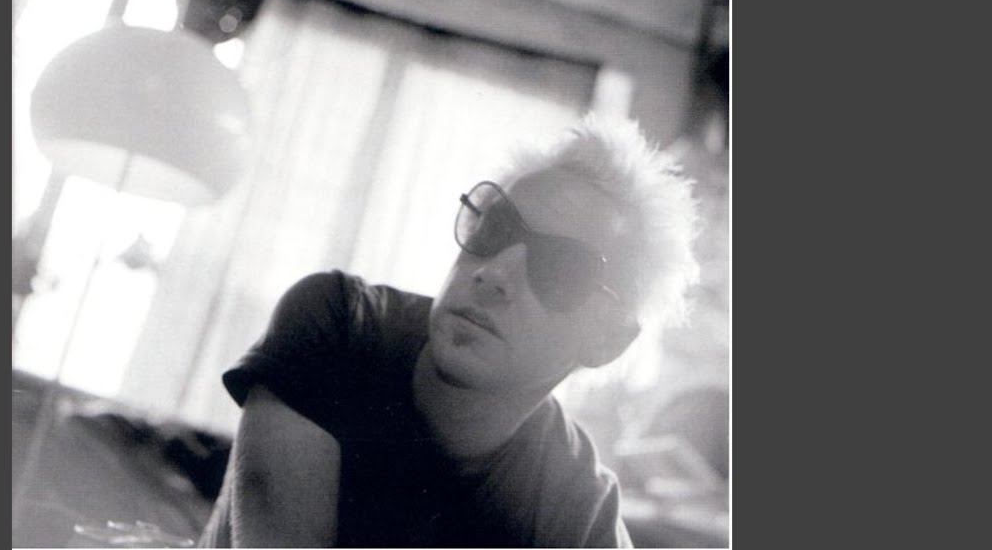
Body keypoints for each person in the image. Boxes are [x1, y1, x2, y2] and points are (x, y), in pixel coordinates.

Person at [197, 114, 701, 547]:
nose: (493, 274)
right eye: (494, 230)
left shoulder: (578, 509)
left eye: (559, 269)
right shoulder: (340, 322)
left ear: (607, 339)